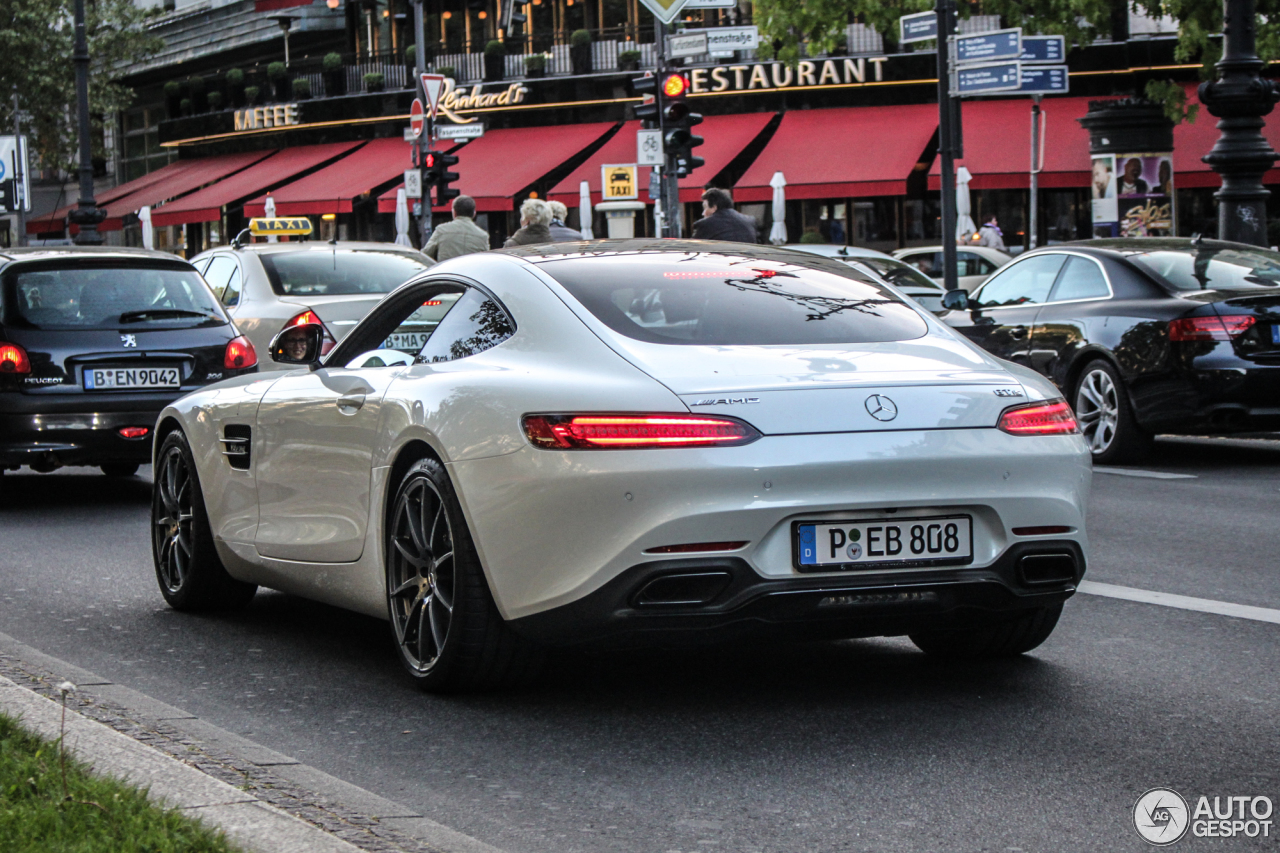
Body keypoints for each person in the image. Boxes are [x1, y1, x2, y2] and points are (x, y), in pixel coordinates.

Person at [422, 195, 489, 261]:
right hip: (471, 271)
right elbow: (487, 260)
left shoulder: (442, 230)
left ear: (454, 212)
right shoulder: (483, 236)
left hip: (446, 271)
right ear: (474, 213)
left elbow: (425, 255)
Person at [691, 188, 759, 243]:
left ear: (714, 207)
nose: (703, 213)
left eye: (705, 207)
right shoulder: (750, 220)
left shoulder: (706, 224)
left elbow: (693, 248)